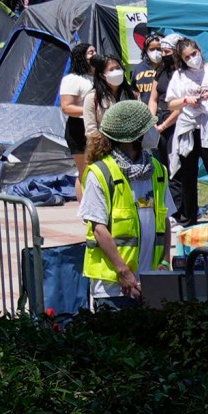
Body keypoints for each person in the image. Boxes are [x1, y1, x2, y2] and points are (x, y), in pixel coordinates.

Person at [82, 99, 168, 303]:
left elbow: (163, 221)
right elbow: (98, 229)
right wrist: (123, 271)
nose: (154, 131)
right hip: (113, 289)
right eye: (148, 128)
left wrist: (164, 260)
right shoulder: (100, 173)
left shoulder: (157, 170)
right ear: (133, 137)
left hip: (151, 283)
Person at [155, 36, 208, 225]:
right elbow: (171, 103)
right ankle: (187, 217)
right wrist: (186, 100)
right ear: (181, 60)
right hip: (188, 126)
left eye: (194, 53)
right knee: (187, 174)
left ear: (199, 51)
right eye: (187, 57)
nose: (193, 58)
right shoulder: (180, 76)